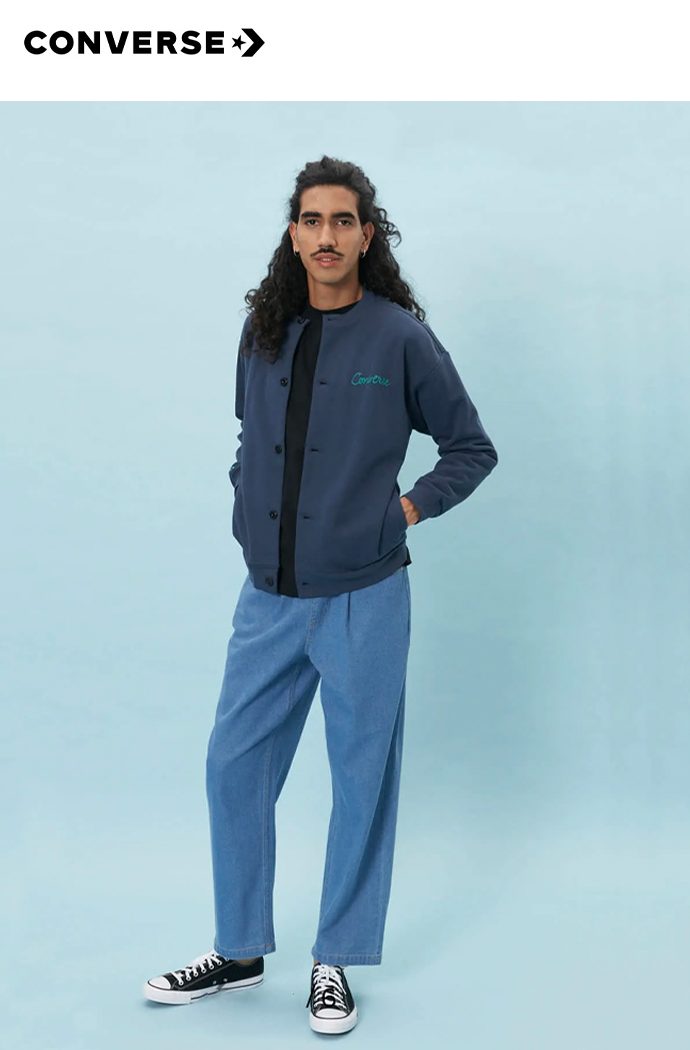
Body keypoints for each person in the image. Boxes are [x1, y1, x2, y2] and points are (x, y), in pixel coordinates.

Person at [144, 155, 498, 1034]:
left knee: (359, 780)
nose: (327, 235)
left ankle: (333, 959)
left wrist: (404, 511)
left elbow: (470, 447)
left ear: (367, 235)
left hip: (365, 597)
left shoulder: (399, 339)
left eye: (344, 220)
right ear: (294, 233)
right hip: (268, 596)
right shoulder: (263, 330)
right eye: (312, 220)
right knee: (232, 766)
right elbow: (247, 435)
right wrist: (245, 509)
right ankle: (238, 950)